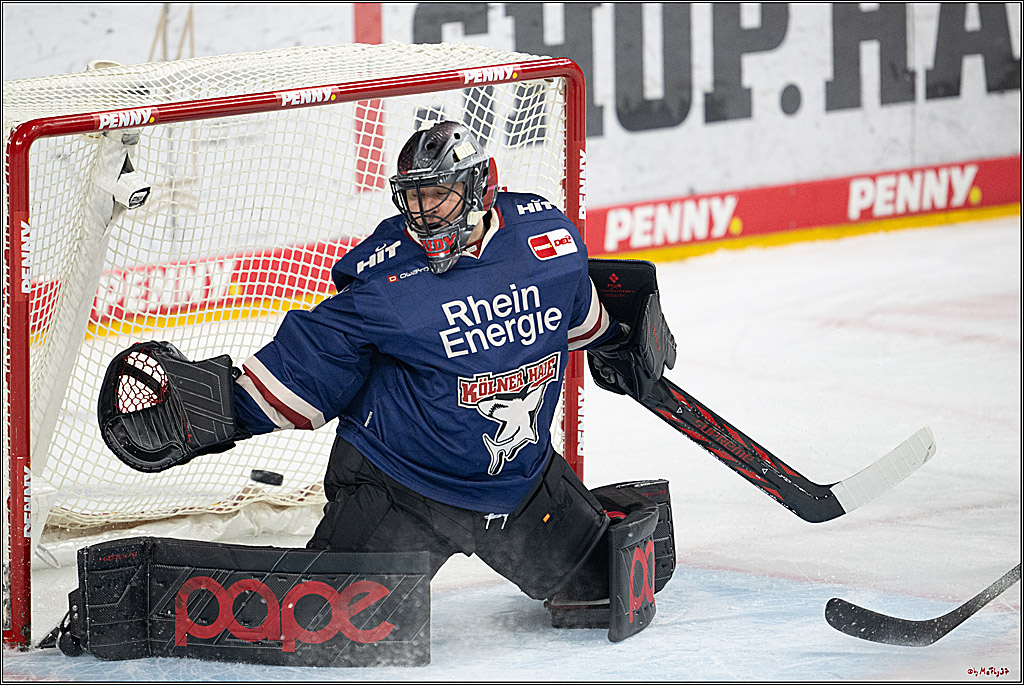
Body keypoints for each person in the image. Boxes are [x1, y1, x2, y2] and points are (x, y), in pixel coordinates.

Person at [99, 120, 676, 613]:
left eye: (439, 196)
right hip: (403, 490)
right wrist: (211, 407)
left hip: (517, 487)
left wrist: (625, 336)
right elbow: (312, 364)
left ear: (483, 187)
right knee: (323, 626)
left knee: (600, 593)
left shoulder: (547, 236)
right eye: (413, 197)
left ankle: (602, 517)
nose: (423, 215)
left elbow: (582, 313)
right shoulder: (386, 280)